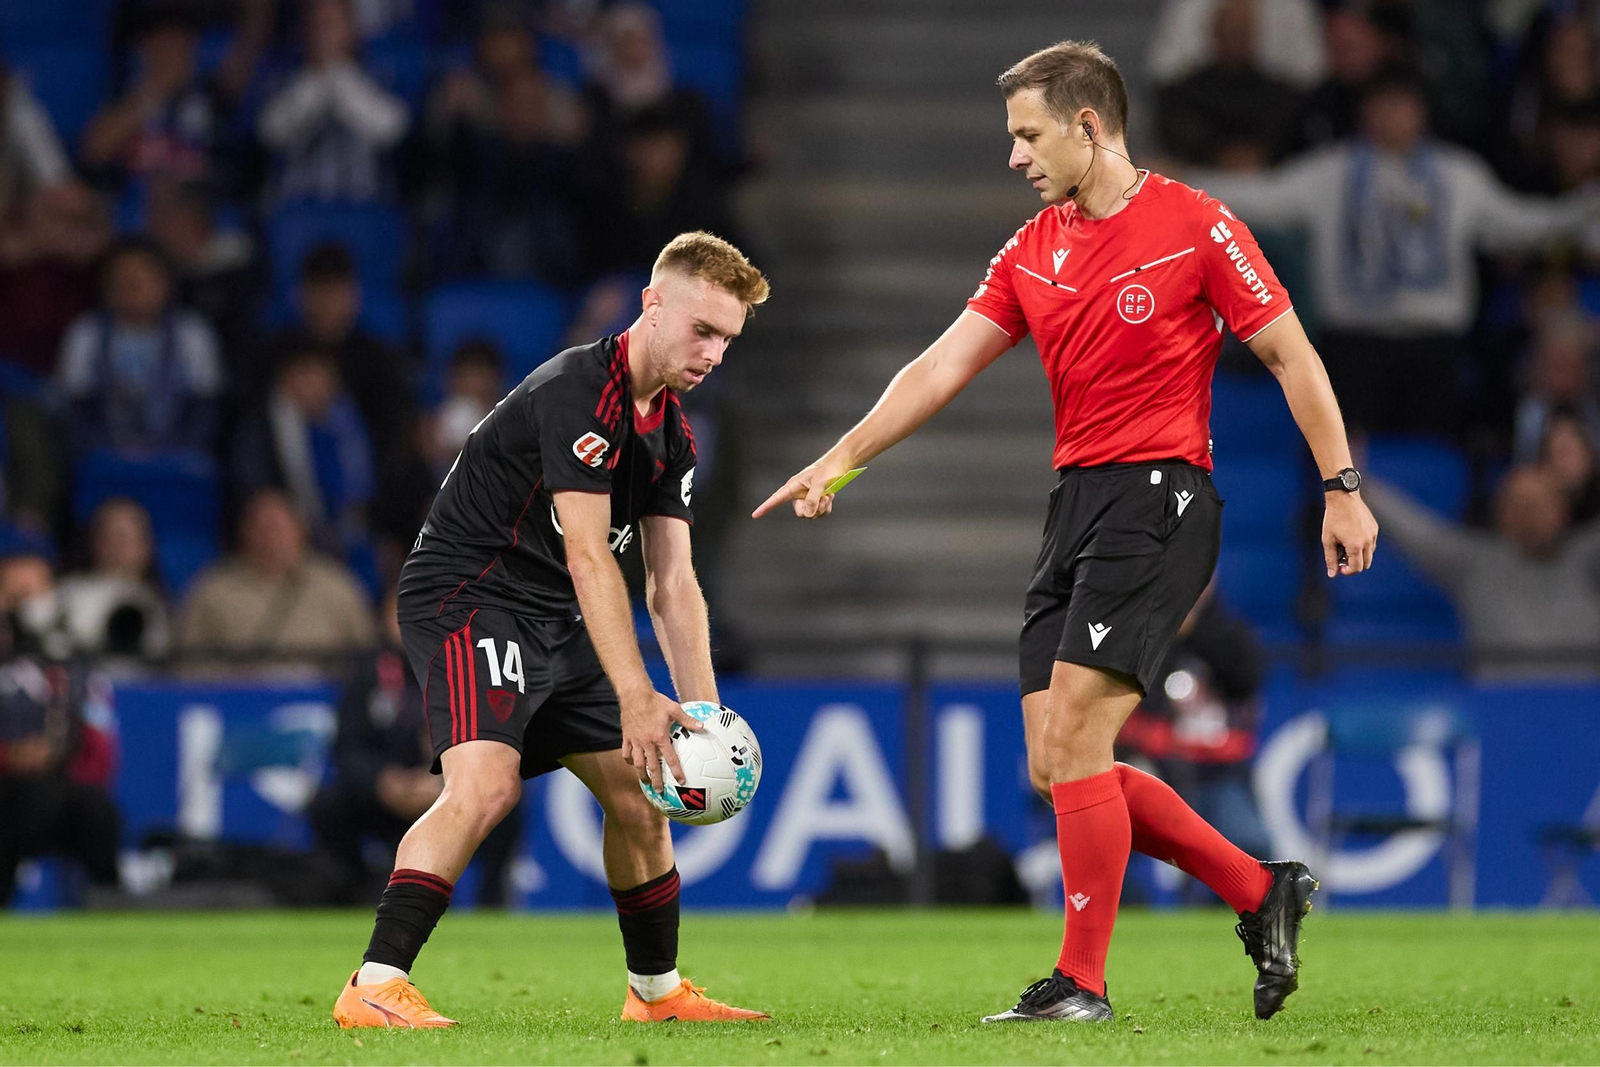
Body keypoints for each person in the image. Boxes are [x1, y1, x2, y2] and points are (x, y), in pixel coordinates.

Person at [755, 40, 1378, 1024]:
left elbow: (1291, 357)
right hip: (1075, 507)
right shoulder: (1029, 248)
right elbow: (936, 368)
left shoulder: (1197, 227)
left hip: (1161, 500)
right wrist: (840, 458)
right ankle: (1261, 889)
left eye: (1027, 134)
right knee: (1054, 764)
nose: (1014, 157)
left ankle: (1079, 983)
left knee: (1082, 735)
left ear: (1089, 126)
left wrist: (1341, 487)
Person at [331, 232, 772, 1028]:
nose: (714, 353)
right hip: (472, 596)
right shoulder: (580, 391)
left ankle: (658, 992)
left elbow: (673, 583)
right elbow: (589, 555)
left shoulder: (670, 429)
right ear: (652, 304)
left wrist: (706, 719)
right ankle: (373, 982)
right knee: (485, 787)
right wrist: (638, 693)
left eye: (728, 339)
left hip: (556, 612)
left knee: (639, 798)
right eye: (703, 330)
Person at [1191, 66, 1597, 437]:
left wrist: (1582, 208)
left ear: (1421, 111)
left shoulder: (1458, 176)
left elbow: (1519, 226)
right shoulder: (1332, 172)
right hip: (1353, 347)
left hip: (1434, 348)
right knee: (1346, 463)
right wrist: (1171, 182)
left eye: (1402, 104)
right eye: (1381, 105)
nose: (1391, 115)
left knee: (1432, 463)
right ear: (1366, 113)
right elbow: (1260, 198)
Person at [310, 590, 521, 906]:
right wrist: (382, 782)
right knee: (328, 805)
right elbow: (348, 749)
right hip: (386, 794)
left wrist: (441, 783)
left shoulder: (470, 669)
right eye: (399, 608)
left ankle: (491, 903)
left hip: (451, 790)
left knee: (507, 803)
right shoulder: (368, 675)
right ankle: (356, 890)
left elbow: (495, 744)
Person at [1362, 467, 1600, 680]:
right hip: (1499, 712)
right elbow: (1420, 534)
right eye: (1520, 504)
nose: (1531, 515)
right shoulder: (1475, 563)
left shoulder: (1587, 561)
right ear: (1502, 512)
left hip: (1585, 715)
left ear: (1563, 509)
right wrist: (1357, 482)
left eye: (1541, 503)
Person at [0, 548, 120, 908]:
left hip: (59, 787)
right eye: (15, 595)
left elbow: (100, 752)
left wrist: (57, 759)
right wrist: (10, 756)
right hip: (8, 789)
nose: (27, 607)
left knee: (95, 810)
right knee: (32, 802)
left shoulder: (78, 670)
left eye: (35, 594)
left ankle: (109, 909)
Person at [56, 237, 224, 455]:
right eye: (123, 278)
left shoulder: (192, 334)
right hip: (104, 460)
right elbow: (75, 415)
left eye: (143, 277)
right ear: (106, 287)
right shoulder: (86, 334)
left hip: (176, 461)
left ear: (166, 284)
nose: (133, 285)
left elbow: (204, 414)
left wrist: (168, 458)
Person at [177, 488, 374, 672]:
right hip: (240, 701)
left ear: (300, 530)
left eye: (277, 528)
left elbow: (367, 656)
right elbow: (186, 666)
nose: (270, 538)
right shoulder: (213, 590)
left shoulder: (337, 586)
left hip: (324, 702)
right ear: (244, 532)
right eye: (261, 528)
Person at [256, 0, 410, 204]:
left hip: (364, 206)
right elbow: (271, 132)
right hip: (298, 206)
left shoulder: (379, 76)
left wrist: (341, 78)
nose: (326, 33)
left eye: (333, 23)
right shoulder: (284, 76)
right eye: (319, 24)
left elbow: (392, 129)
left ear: (352, 28)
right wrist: (316, 84)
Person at [55, 497, 170, 663]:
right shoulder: (68, 593)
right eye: (110, 536)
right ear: (95, 542)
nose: (118, 547)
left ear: (146, 546)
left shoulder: (158, 602)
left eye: (126, 538)